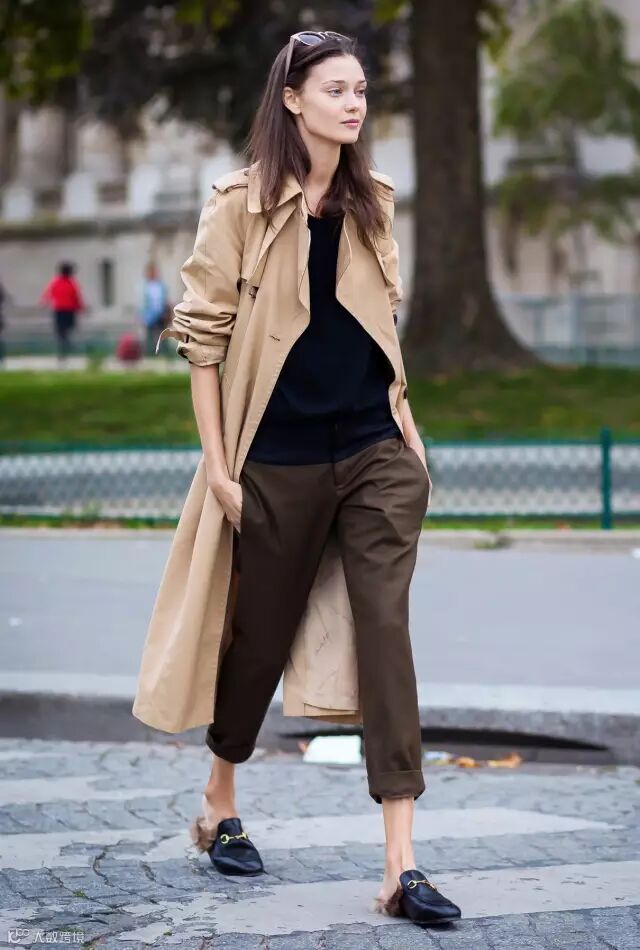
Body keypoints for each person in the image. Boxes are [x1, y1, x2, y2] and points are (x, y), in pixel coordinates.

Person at [134, 30, 461, 929]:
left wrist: (409, 434)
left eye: (361, 90)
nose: (354, 104)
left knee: (385, 633)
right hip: (274, 460)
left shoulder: (373, 200)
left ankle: (400, 866)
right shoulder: (237, 205)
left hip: (374, 454)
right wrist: (219, 465)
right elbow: (202, 343)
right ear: (292, 99)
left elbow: (381, 322)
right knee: (258, 638)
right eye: (336, 90)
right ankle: (219, 801)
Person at [40, 262, 86, 362]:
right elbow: (77, 298)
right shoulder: (72, 283)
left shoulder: (55, 282)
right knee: (68, 329)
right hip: (69, 310)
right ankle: (66, 346)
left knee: (61, 332)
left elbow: (48, 294)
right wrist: (81, 308)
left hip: (59, 310)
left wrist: (44, 302)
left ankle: (64, 349)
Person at [139, 263, 169, 356]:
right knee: (150, 335)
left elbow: (165, 299)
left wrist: (166, 311)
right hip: (150, 315)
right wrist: (142, 315)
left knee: (163, 333)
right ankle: (150, 353)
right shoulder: (145, 286)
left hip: (161, 313)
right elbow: (142, 302)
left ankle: (164, 352)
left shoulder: (161, 285)